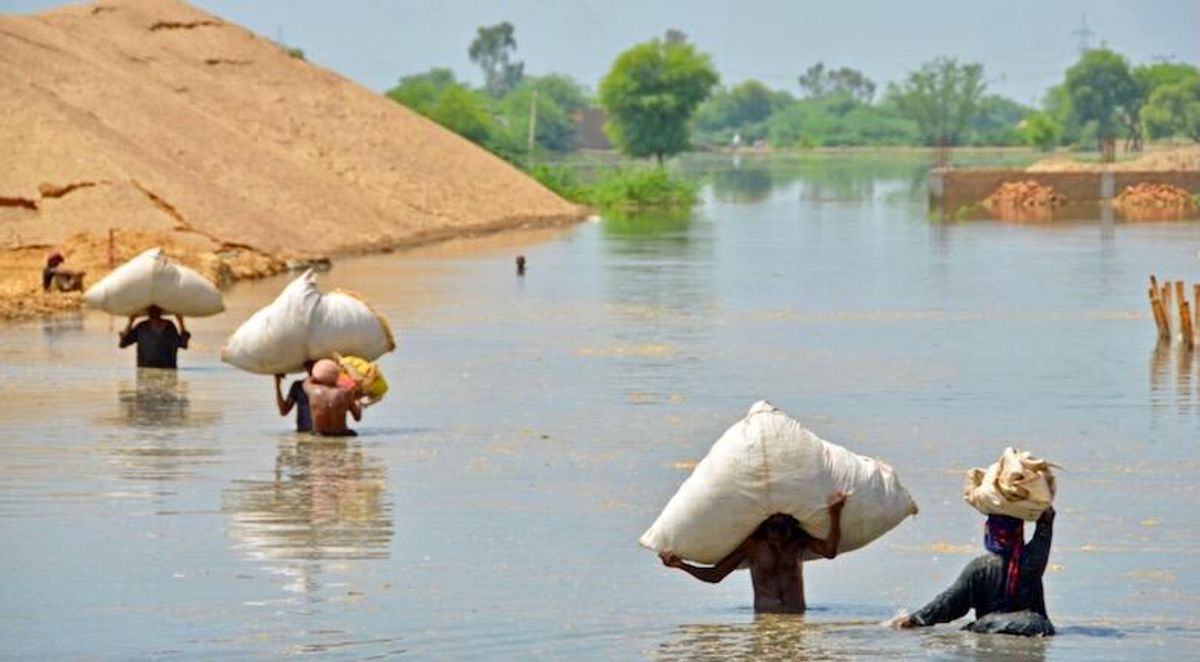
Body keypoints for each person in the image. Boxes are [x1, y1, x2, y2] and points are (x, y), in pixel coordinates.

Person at [658, 491, 847, 613]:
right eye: (774, 529)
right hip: (765, 617)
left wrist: (835, 513)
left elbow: (830, 551)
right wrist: (681, 565)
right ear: (764, 526)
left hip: (796, 615)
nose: (778, 539)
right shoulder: (753, 545)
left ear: (792, 525)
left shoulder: (798, 540)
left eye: (783, 529)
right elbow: (715, 575)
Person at [890, 507, 1056, 636]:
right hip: (1033, 627)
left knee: (975, 629)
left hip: (991, 627)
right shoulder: (1031, 560)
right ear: (1019, 531)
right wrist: (1044, 515)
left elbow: (950, 601)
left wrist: (915, 619)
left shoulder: (980, 568)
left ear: (990, 532)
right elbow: (1044, 531)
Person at [302, 359, 362, 437]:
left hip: (320, 435)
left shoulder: (312, 391)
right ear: (337, 376)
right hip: (341, 434)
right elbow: (357, 417)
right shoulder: (346, 393)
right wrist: (358, 400)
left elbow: (307, 381)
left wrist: (310, 369)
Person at [118, 305, 189, 369]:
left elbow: (183, 344)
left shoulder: (169, 326)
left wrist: (180, 322)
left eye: (156, 309)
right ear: (148, 311)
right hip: (145, 372)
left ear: (161, 311)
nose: (154, 312)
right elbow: (123, 343)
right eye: (152, 310)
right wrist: (130, 321)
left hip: (167, 370)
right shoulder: (141, 327)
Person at [274, 361, 315, 433]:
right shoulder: (298, 386)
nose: (311, 368)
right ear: (305, 367)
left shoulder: (329, 385)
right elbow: (283, 411)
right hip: (303, 433)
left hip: (319, 434)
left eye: (314, 364)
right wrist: (277, 385)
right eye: (309, 365)